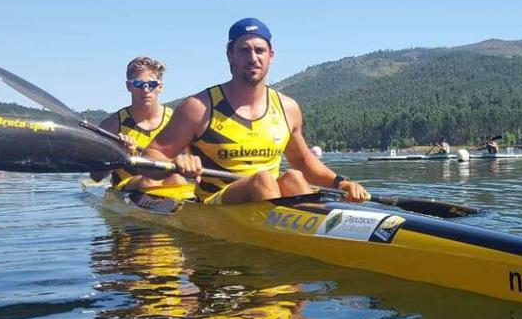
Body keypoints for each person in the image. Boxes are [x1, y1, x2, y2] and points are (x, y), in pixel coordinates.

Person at [142, 17, 369, 205]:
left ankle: (313, 239)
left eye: (260, 50)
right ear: (230, 54)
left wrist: (341, 183)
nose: (253, 58)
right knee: (262, 180)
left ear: (271, 55)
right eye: (244, 50)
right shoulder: (199, 108)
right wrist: (179, 162)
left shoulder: (287, 108)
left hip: (268, 199)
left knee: (293, 176)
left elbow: (303, 161)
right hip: (216, 203)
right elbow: (151, 155)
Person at [90, 57, 186, 190]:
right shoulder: (112, 125)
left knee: (177, 179)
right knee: (149, 182)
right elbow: (96, 176)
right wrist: (118, 154)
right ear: (129, 86)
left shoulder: (177, 120)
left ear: (160, 87)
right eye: (139, 84)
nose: (146, 90)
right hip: (128, 189)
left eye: (151, 84)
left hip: (171, 184)